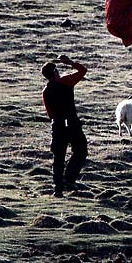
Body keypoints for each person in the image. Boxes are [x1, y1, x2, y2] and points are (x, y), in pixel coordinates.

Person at [41, 54, 88, 197]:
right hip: (72, 123)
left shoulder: (46, 91)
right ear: (55, 72)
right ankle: (69, 179)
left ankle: (58, 188)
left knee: (59, 157)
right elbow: (82, 71)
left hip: (57, 125)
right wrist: (70, 62)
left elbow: (50, 113)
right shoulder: (66, 82)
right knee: (81, 150)